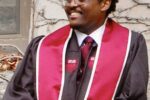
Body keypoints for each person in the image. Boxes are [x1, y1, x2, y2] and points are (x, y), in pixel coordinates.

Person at [3, 0, 149, 100]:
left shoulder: (130, 44)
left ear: (104, 3)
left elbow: (133, 96)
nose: (71, 4)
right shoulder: (43, 47)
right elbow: (18, 95)